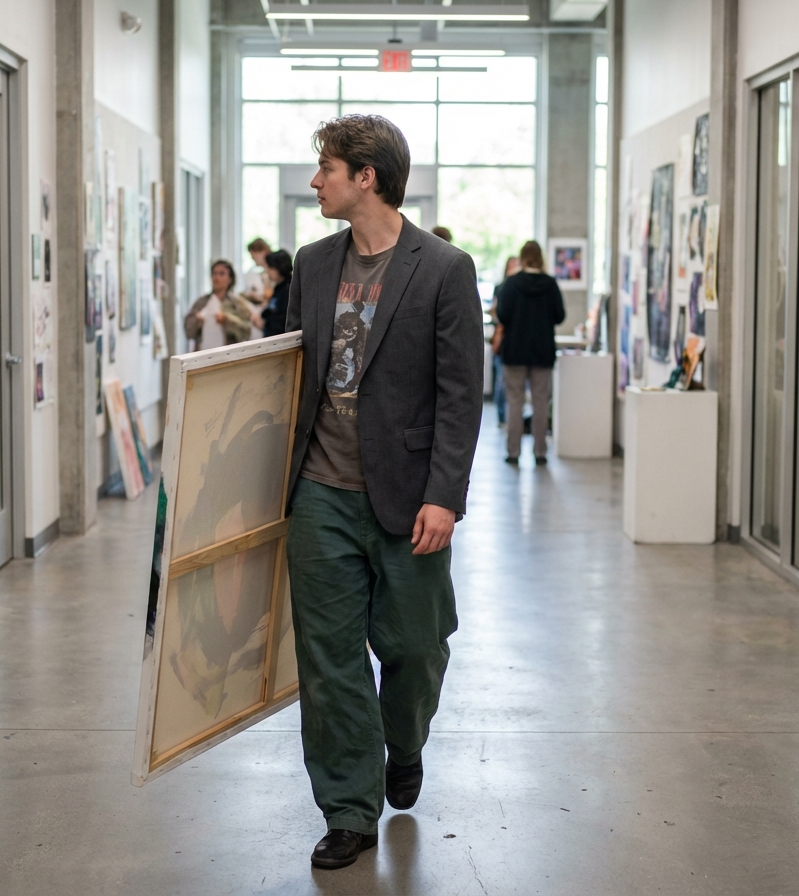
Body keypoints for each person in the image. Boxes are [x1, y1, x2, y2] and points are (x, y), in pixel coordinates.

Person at [285, 114, 483, 870]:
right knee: (330, 660)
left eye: (326, 169)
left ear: (365, 176)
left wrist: (446, 496)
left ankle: (404, 742)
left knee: (415, 647)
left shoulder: (443, 268)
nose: (317, 182)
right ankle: (349, 809)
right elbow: (291, 373)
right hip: (319, 493)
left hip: (408, 496)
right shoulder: (311, 263)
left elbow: (462, 393)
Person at [496, 239, 566, 465]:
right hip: (542, 351)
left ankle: (513, 452)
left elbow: (503, 314)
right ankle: (540, 452)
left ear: (522, 257)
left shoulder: (512, 283)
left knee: (514, 401)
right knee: (540, 402)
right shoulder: (550, 284)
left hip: (515, 350)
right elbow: (559, 316)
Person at [183, 260, 252, 351]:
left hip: (229, 355)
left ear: (230, 279)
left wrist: (227, 320)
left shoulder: (237, 304)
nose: (217, 277)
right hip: (203, 354)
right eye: (214, 273)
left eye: (222, 274)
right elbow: (189, 332)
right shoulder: (202, 302)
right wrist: (197, 320)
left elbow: (246, 332)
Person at [490, 255, 521, 426]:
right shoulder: (501, 287)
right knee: (501, 380)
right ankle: (502, 416)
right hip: (502, 340)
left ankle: (509, 418)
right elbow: (497, 313)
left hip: (511, 340)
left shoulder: (516, 287)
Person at [242, 237, 272, 339]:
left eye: (253, 256)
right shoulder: (261, 272)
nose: (253, 259)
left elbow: (269, 296)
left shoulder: (272, 271)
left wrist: (256, 297)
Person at [261, 249, 293, 338]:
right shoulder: (279, 287)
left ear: (279, 267)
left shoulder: (289, 289)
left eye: (270, 267)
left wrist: (265, 324)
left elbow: (283, 320)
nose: (267, 271)